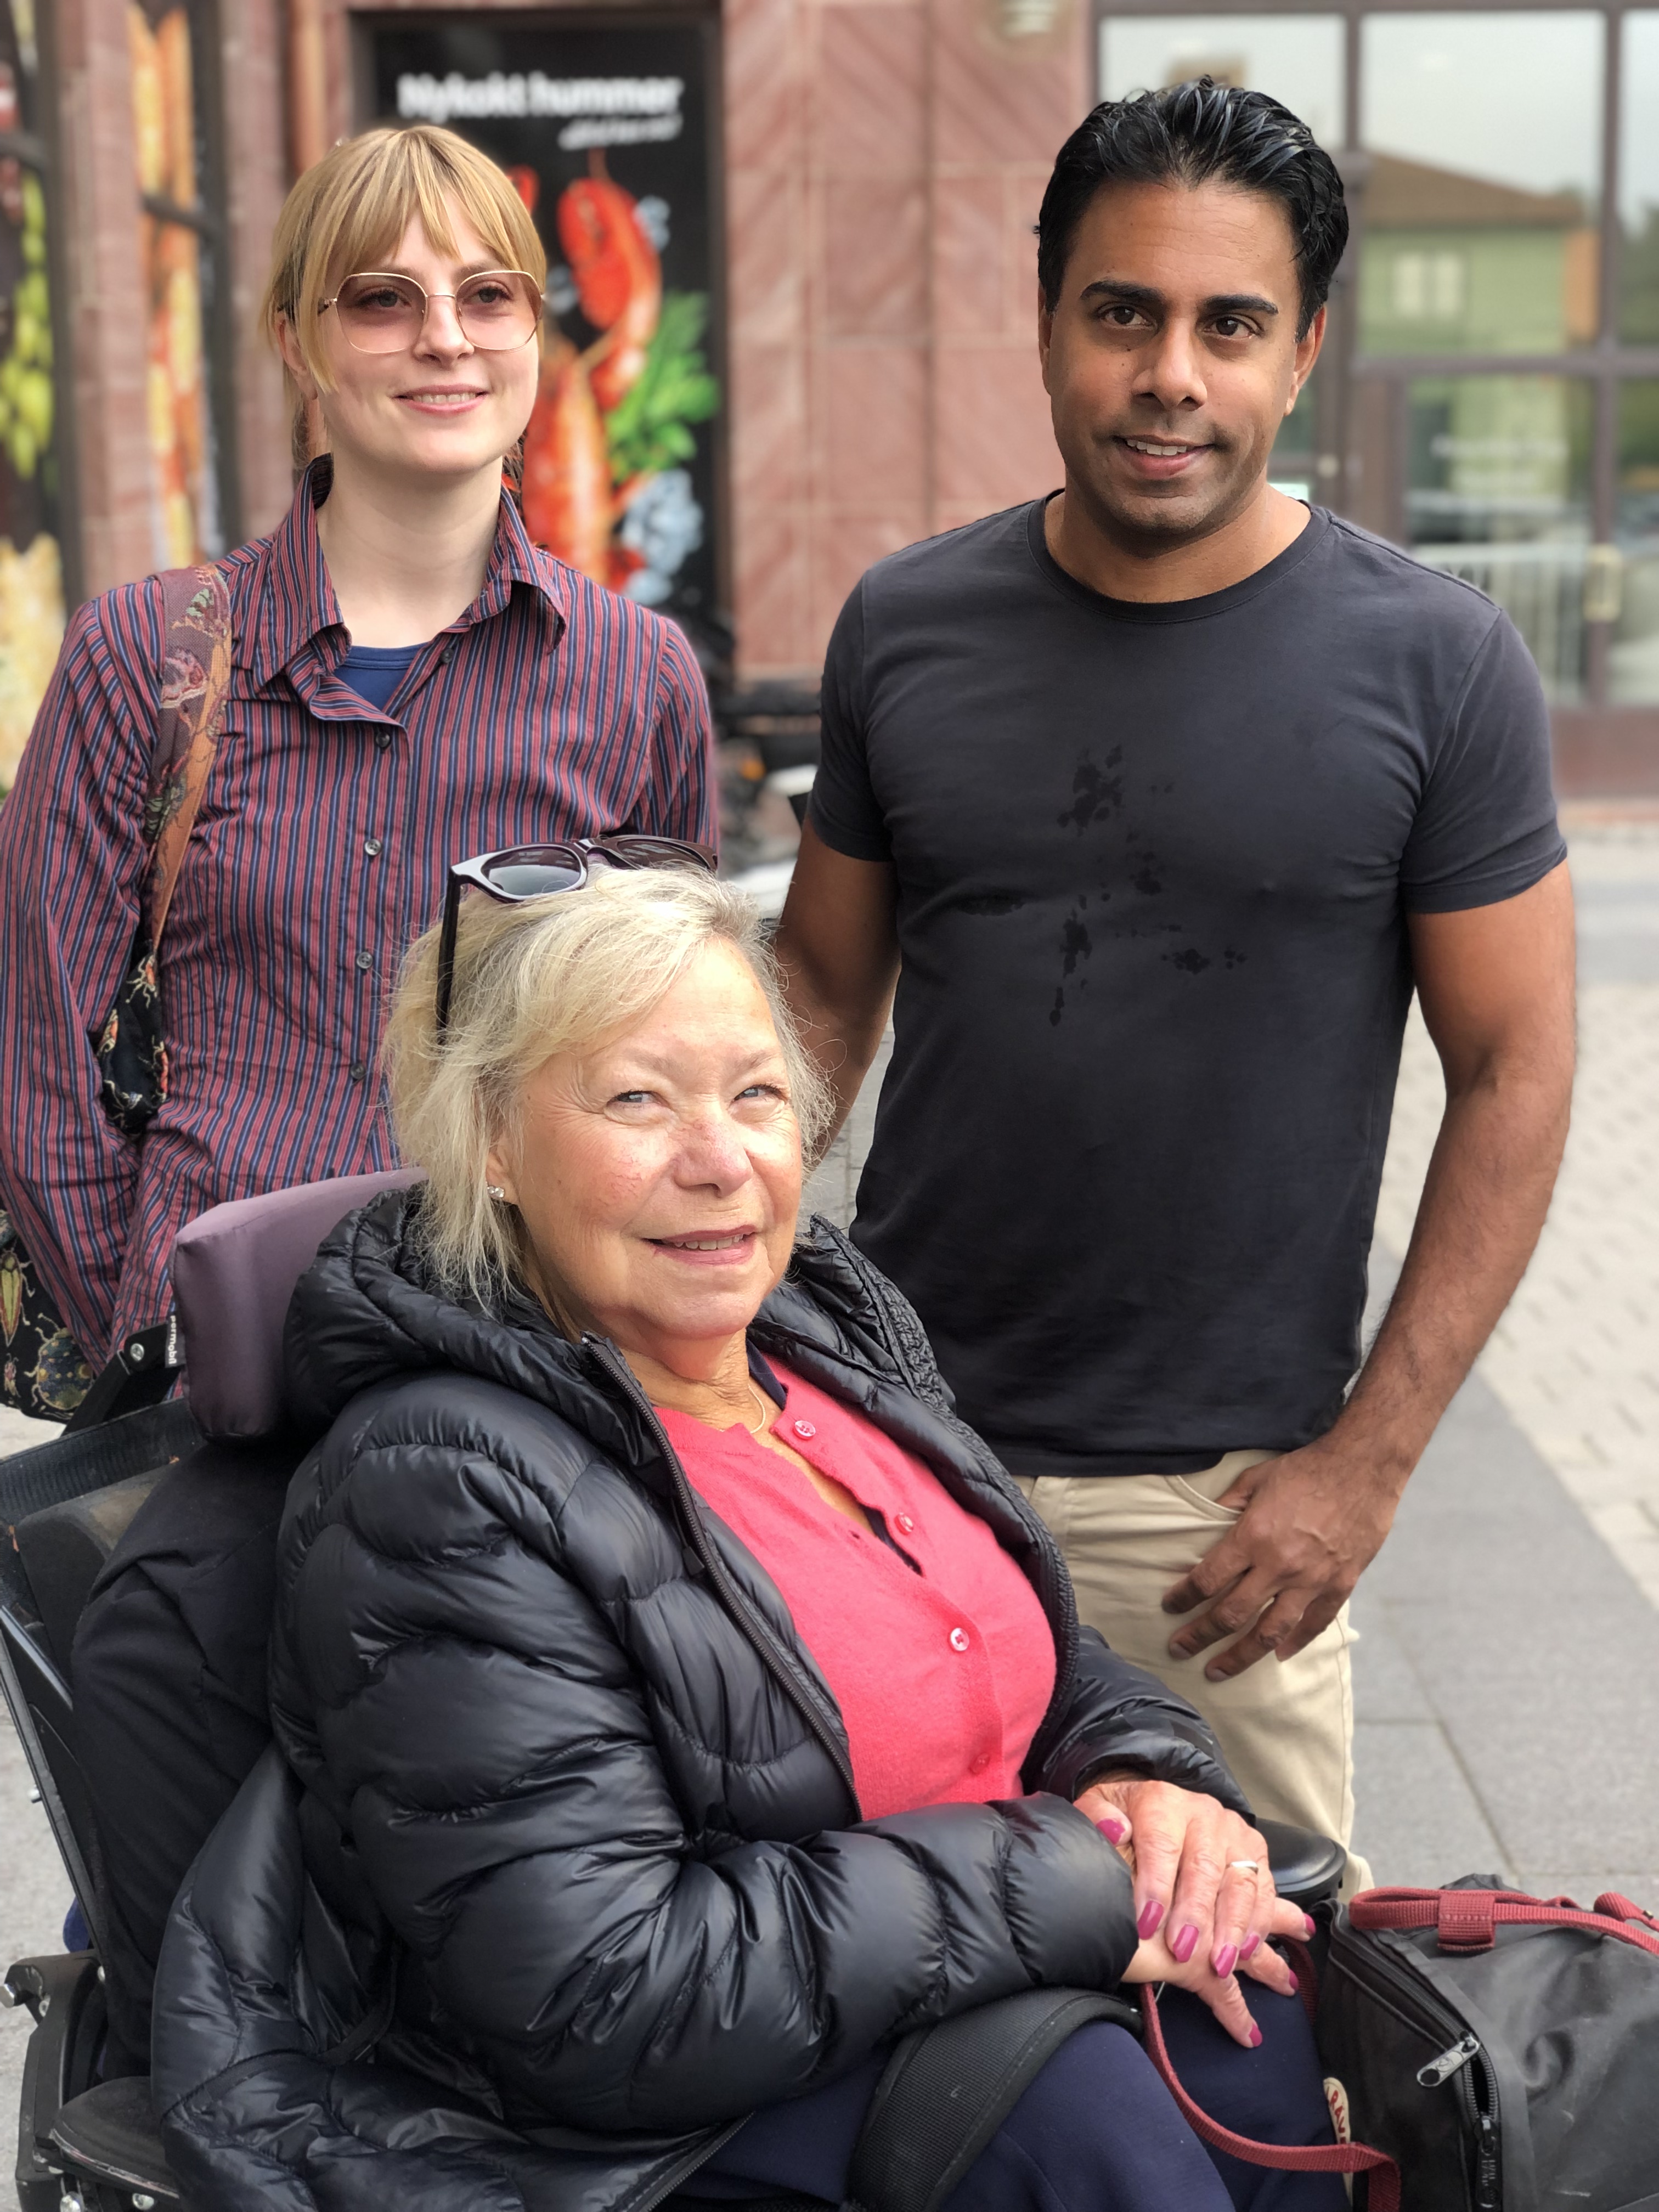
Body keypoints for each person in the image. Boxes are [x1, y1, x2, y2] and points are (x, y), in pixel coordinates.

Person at [154, 859, 1344, 2212]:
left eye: (757, 1094)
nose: (720, 1161)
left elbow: (1020, 1650)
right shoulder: (439, 1483)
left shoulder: (816, 1350)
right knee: (1086, 2127)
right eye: (636, 1100)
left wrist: (1147, 1780)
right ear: (493, 1145)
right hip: (628, 2120)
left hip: (948, 1979)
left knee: (1267, 2042)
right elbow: (602, 1993)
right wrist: (1077, 1881)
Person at [771, 80, 1576, 1888]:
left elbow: (1517, 1068)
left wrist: (1363, 1464)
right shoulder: (904, 627)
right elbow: (818, 999)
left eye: (1228, 325)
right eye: (1121, 312)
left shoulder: (1435, 665)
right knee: (903, 2048)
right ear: (1046, 321)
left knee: (1255, 2076)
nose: (1170, 374)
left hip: (1220, 1530)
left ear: (1299, 355)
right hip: (904, 1468)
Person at [0, 122, 712, 1412]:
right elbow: (34, 1061)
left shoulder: (638, 678)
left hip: (522, 1380)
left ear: (532, 335)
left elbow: (666, 1061)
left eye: (487, 296)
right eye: (385, 299)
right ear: (298, 340)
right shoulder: (146, 662)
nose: (444, 337)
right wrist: (151, 1343)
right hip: (213, 1389)